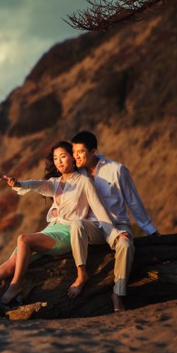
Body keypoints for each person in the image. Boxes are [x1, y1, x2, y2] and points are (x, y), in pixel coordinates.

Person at [0, 141, 116, 305]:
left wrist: (115, 237)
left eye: (63, 156)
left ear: (73, 158)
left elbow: (101, 212)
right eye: (55, 158)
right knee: (19, 254)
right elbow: (37, 184)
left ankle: (16, 285)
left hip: (68, 233)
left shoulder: (84, 182)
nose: (59, 161)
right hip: (52, 230)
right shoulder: (55, 183)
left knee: (24, 239)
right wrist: (18, 184)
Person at [68, 131, 159, 311]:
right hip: (93, 225)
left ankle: (118, 293)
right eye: (74, 151)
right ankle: (81, 275)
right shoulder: (76, 173)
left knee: (125, 245)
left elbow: (133, 202)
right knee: (77, 224)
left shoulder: (117, 170)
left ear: (93, 151)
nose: (75, 156)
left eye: (80, 151)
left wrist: (151, 230)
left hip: (117, 224)